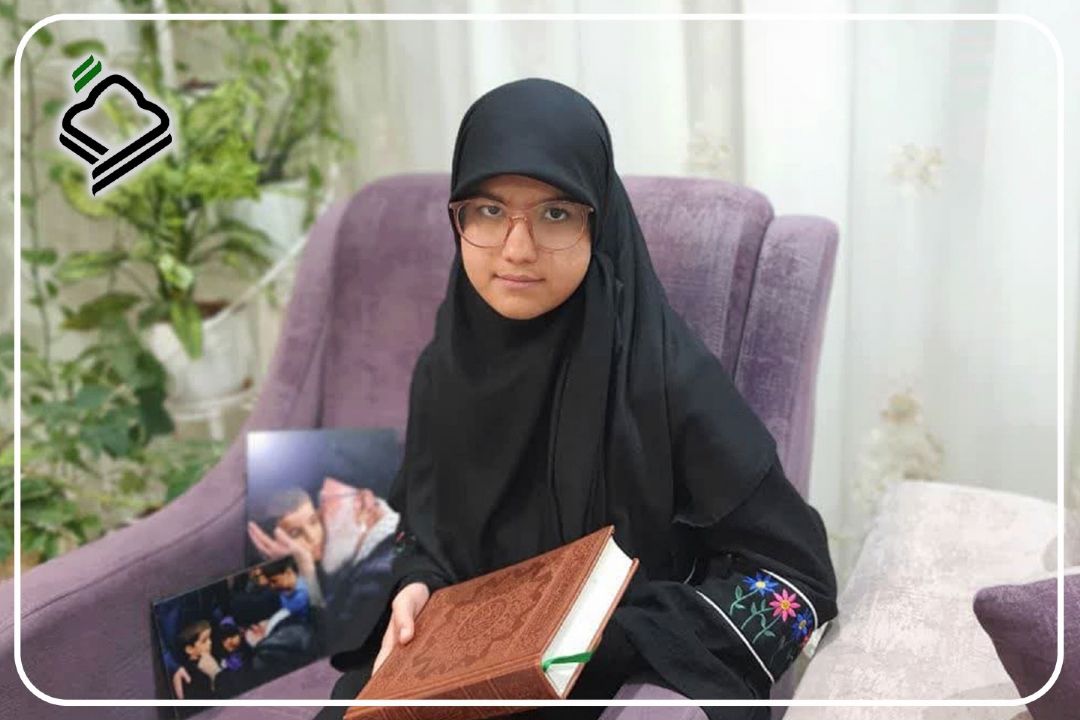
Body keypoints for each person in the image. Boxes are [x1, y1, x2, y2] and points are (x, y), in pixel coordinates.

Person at [316, 77, 838, 720]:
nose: (517, 249)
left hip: (595, 689)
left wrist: (613, 636)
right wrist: (415, 582)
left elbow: (797, 580)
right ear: (458, 220)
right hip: (448, 676)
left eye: (556, 214)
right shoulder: (445, 365)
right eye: (488, 211)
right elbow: (422, 526)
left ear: (599, 220)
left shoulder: (662, 376)